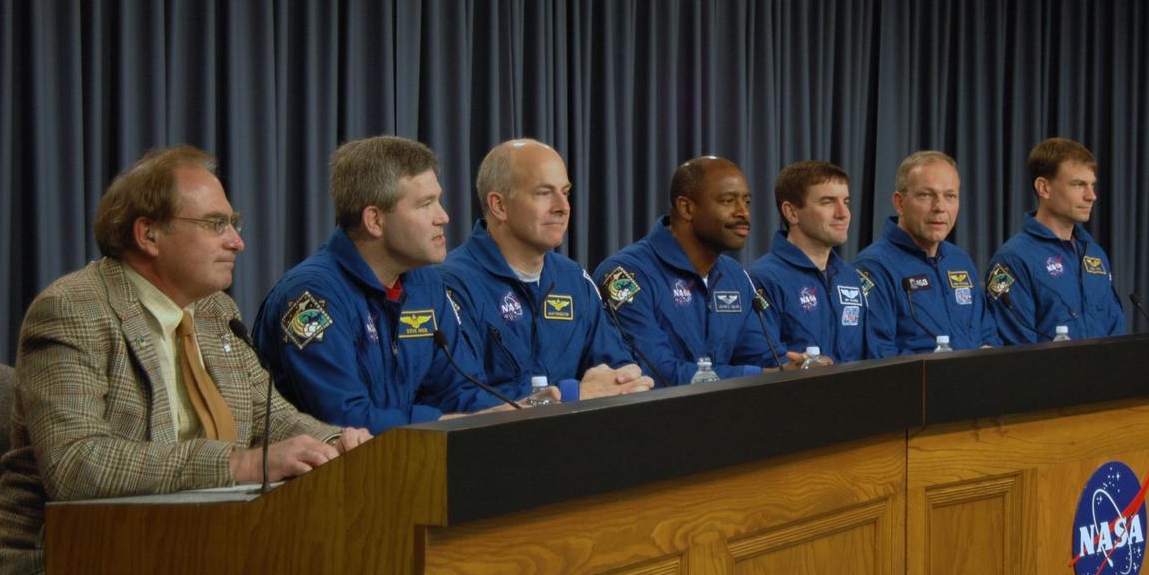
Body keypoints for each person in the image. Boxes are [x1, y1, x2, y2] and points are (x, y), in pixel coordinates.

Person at [0, 146, 367, 575]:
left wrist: (342, 446)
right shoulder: (73, 310)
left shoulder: (212, 312)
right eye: (216, 224)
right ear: (149, 234)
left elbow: (276, 419)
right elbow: (77, 465)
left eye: (235, 222)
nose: (238, 242)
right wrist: (240, 464)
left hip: (192, 551)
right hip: (67, 569)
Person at [254, 136, 511, 433]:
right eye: (426, 204)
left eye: (438, 200)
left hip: (405, 464)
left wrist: (516, 412)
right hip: (328, 474)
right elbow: (344, 418)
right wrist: (439, 421)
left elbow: (458, 391)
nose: (444, 217)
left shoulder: (425, 283)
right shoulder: (312, 295)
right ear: (374, 220)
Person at [440, 139, 653, 400]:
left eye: (565, 192)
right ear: (499, 206)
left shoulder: (574, 278)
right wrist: (571, 394)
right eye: (544, 193)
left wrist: (625, 380)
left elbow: (613, 364)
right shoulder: (451, 283)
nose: (562, 207)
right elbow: (461, 398)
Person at [593, 156, 795, 385]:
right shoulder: (625, 274)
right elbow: (654, 374)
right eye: (729, 201)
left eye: (747, 202)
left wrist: (794, 368)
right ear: (686, 208)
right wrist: (756, 376)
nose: (744, 213)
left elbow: (762, 355)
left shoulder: (736, 276)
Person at [855, 150, 1001, 356]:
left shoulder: (959, 260)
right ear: (899, 203)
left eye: (950, 196)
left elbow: (988, 332)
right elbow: (878, 354)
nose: (940, 207)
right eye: (926, 195)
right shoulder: (873, 266)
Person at [985, 138, 1125, 343]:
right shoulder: (1012, 260)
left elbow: (1116, 331)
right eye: (1078, 185)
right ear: (1044, 188)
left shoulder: (1094, 253)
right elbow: (1015, 352)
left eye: (1092, 185)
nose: (1091, 196)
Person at [748, 160, 872, 364]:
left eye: (846, 202)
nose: (843, 213)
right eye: (827, 202)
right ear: (791, 212)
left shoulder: (850, 276)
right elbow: (765, 360)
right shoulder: (763, 278)